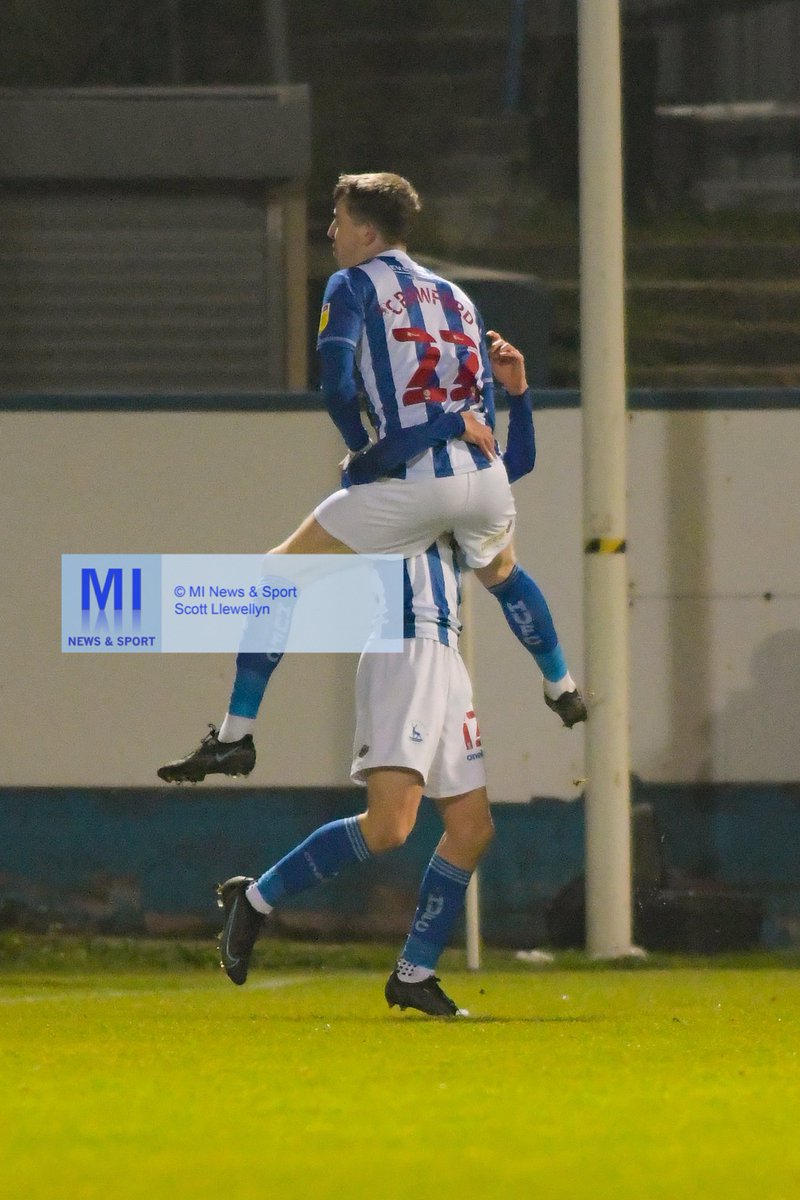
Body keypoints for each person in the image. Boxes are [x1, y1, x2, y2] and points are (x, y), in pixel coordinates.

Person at [157, 172, 585, 785]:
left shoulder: (351, 283)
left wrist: (366, 455)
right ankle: (562, 687)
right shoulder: (460, 299)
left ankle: (235, 736)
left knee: (279, 575)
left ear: (364, 229)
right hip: (486, 486)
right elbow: (499, 448)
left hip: (416, 488)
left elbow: (336, 386)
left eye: (336, 221)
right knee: (501, 572)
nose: (330, 234)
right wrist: (508, 405)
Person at [216, 335, 542, 1017]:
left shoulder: (453, 473)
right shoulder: (386, 467)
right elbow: (372, 465)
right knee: (390, 827)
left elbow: (512, 465)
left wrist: (518, 397)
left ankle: (414, 974)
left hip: (443, 657)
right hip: (402, 648)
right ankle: (255, 900)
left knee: (472, 827)